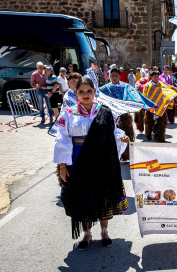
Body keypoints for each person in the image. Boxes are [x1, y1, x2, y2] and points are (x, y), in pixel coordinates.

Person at [54, 76, 130, 250]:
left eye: (89, 91)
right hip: (78, 161)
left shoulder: (104, 111)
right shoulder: (68, 113)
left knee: (103, 197)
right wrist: (63, 165)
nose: (85, 95)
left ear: (95, 92)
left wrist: (121, 137)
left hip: (101, 162)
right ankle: (87, 233)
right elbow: (62, 139)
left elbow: (114, 132)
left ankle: (104, 231)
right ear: (76, 93)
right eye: (81, 92)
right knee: (83, 196)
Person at [100, 68, 156, 160]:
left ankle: (126, 156)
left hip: (124, 116)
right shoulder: (104, 89)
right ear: (109, 76)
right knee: (111, 138)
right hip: (109, 117)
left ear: (119, 76)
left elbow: (137, 96)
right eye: (112, 76)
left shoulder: (126, 87)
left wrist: (148, 104)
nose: (114, 77)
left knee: (126, 136)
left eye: (116, 76)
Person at [142, 70, 177, 142]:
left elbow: (169, 89)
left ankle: (158, 138)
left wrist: (176, 92)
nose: (156, 77)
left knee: (160, 124)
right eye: (154, 76)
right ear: (151, 77)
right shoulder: (147, 86)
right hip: (150, 108)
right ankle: (149, 135)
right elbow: (144, 96)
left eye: (157, 76)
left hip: (161, 107)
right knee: (149, 123)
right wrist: (145, 105)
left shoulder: (162, 84)